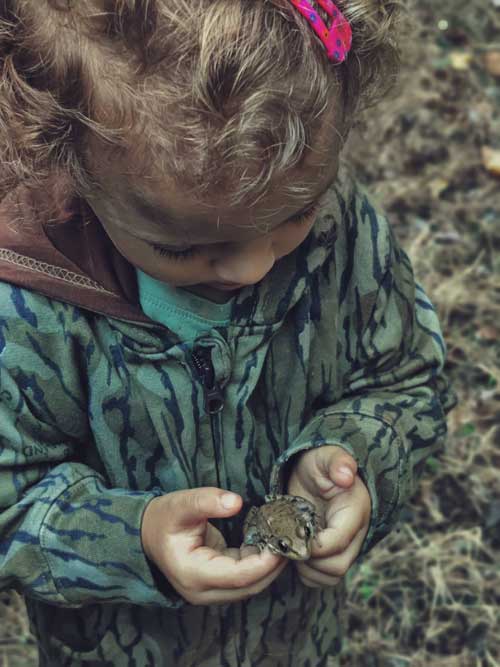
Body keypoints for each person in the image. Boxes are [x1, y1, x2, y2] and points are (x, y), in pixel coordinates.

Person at [0, 1, 456, 665]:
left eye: (293, 214)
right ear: (67, 159)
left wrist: (357, 459)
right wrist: (138, 539)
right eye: (185, 248)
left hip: (293, 638)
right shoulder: (28, 308)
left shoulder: (344, 230)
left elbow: (404, 376)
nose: (252, 265)